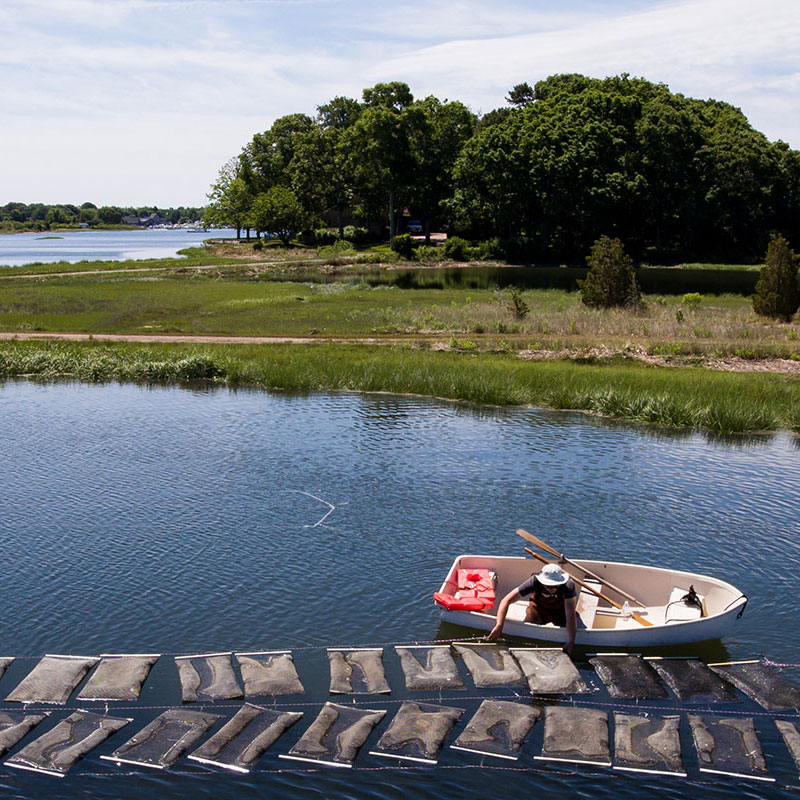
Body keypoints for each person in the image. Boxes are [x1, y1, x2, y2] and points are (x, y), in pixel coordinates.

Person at [487, 562, 578, 656]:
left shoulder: (568, 586)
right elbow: (506, 601)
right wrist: (499, 625)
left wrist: (571, 641)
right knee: (526, 631)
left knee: (571, 628)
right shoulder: (534, 581)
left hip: (560, 611)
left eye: (555, 586)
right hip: (538, 609)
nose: (552, 589)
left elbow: (570, 614)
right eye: (548, 586)